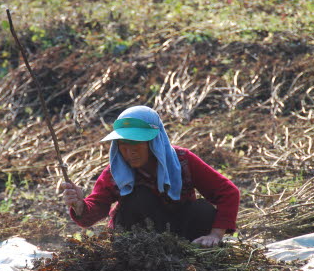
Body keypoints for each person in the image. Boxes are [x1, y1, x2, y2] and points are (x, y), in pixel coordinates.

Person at [61, 105, 239, 247]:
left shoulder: (183, 161)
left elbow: (228, 192)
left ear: (154, 142)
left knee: (203, 210)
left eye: (136, 145)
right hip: (138, 241)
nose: (129, 153)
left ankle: (186, 250)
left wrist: (216, 234)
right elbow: (95, 208)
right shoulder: (116, 172)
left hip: (181, 235)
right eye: (123, 145)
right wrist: (80, 206)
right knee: (139, 197)